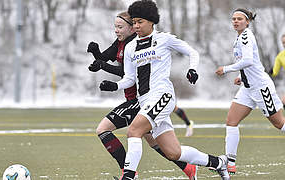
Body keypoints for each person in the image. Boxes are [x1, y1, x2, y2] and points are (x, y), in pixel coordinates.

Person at [99, 1, 230, 179]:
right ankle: (219, 162)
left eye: (140, 22)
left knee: (134, 131)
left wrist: (192, 69)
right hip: (144, 100)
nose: (136, 26)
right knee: (173, 153)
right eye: (135, 22)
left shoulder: (164, 39)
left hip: (162, 95)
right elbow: (130, 78)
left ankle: (128, 176)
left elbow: (192, 52)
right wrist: (115, 85)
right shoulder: (130, 47)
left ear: (152, 21)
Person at [87, 11, 197, 179]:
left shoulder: (136, 44)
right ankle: (188, 168)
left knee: (103, 129)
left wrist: (103, 67)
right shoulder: (120, 43)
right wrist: (96, 54)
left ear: (132, 28)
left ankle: (129, 173)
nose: (116, 30)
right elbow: (105, 59)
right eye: (115, 27)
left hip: (141, 99)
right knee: (155, 143)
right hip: (134, 99)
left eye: (120, 27)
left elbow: (126, 73)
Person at [215, 8, 285, 175]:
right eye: (233, 19)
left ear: (247, 22)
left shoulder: (246, 36)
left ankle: (229, 162)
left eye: (239, 19)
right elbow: (251, 63)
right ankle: (229, 162)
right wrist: (241, 76)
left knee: (279, 124)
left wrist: (226, 69)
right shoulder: (239, 37)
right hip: (248, 88)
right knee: (231, 121)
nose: (236, 21)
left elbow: (247, 60)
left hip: (261, 87)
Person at [270, 34, 285, 110]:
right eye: (283, 43)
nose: (284, 44)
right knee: (284, 102)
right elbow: (275, 71)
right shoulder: (280, 56)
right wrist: (268, 72)